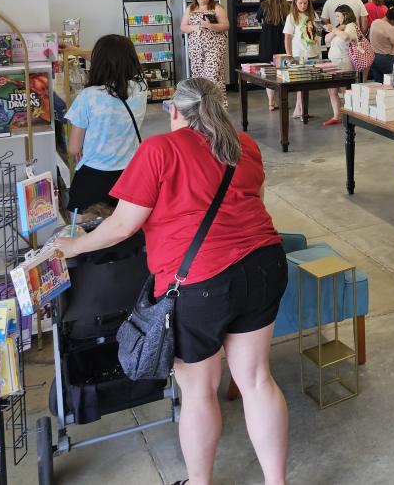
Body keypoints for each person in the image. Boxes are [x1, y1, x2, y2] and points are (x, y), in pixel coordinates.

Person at [56, 78, 288, 485]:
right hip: (264, 266)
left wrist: (73, 246)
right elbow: (254, 203)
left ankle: (199, 483)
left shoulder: (158, 150)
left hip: (199, 284)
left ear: (175, 111)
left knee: (198, 392)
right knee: (255, 379)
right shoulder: (243, 145)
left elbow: (122, 226)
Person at [65, 33, 149, 211]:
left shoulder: (88, 96)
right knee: (124, 224)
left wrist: (74, 52)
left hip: (94, 177)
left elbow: (73, 148)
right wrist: (75, 50)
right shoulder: (140, 89)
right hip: (130, 174)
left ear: (98, 63)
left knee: (87, 225)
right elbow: (117, 61)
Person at [182, 0, 229, 97]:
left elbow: (226, 26)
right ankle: (202, 102)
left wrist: (210, 26)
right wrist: (194, 27)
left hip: (215, 46)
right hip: (196, 48)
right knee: (198, 75)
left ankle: (216, 102)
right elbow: (183, 27)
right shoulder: (190, 8)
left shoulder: (217, 7)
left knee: (213, 74)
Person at [282, 0, 319, 121]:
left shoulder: (313, 15)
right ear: (295, 3)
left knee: (306, 84)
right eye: (300, 3)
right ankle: (301, 111)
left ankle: (299, 110)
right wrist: (289, 54)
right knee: (301, 83)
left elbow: (317, 33)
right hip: (299, 55)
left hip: (313, 53)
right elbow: (287, 37)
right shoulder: (292, 17)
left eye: (305, 3)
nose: (303, 5)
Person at [322, 5, 359, 126]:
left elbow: (346, 37)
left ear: (345, 15)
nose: (336, 18)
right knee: (332, 90)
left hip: (344, 62)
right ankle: (336, 116)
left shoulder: (351, 26)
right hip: (333, 62)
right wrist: (336, 29)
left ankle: (351, 115)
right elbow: (326, 39)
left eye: (338, 16)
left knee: (345, 90)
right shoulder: (339, 26)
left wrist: (334, 29)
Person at [256, 0, 290, 112]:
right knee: (282, 73)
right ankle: (282, 100)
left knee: (269, 74)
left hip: (267, 43)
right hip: (282, 43)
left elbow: (258, 18)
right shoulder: (287, 7)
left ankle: (271, 102)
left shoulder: (264, 5)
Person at [368, 6, 394, 84]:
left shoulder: (375, 22)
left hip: (373, 57)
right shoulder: (391, 28)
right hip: (386, 59)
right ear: (392, 20)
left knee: (378, 84)